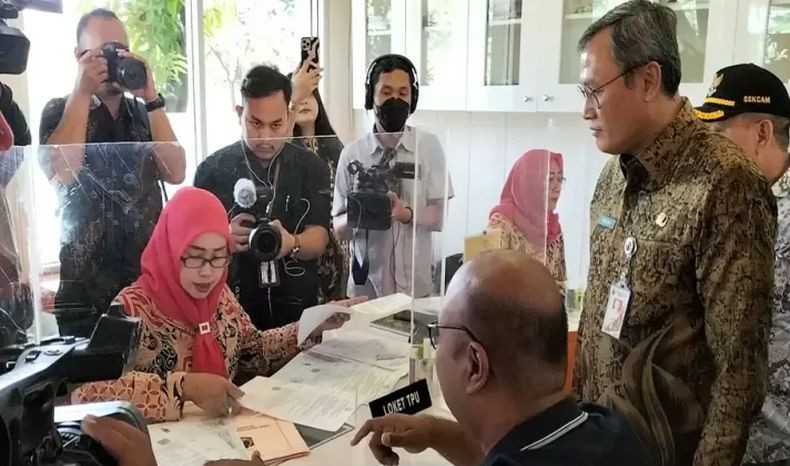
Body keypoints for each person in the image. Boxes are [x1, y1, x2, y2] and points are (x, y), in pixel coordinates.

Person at [574, 2, 777, 465]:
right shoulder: (611, 177)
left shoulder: (726, 182)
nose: (586, 110)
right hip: (599, 445)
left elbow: (739, 373)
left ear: (648, 80)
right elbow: (593, 325)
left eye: (595, 91)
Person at [71, 187, 351, 422]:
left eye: (219, 257)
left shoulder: (219, 297)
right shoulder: (131, 308)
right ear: (170, 249)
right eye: (194, 257)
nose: (208, 272)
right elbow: (87, 391)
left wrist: (309, 325)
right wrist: (184, 388)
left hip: (222, 437)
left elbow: (254, 351)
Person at [351, 250, 655, 466]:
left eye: (438, 336)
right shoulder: (610, 430)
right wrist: (434, 432)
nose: (436, 347)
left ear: (475, 366)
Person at [38, 8, 186, 326]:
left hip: (147, 287)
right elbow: (62, 172)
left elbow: (176, 173)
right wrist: (82, 91)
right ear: (79, 56)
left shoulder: (144, 114)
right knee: (90, 377)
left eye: (120, 51)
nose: (112, 61)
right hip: (84, 293)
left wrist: (151, 97)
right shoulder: (59, 110)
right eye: (102, 53)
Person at [694, 63, 790, 466]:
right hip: (730, 440)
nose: (707, 151)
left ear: (763, 134)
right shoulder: (740, 203)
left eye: (717, 137)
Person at [194, 65, 332, 330]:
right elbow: (191, 249)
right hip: (229, 312)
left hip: (298, 309)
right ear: (239, 114)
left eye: (276, 124)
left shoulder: (311, 167)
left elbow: (320, 237)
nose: (265, 137)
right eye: (255, 124)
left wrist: (292, 242)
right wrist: (223, 239)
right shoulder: (212, 170)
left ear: (290, 117)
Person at [333, 54, 453, 299]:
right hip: (366, 290)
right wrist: (359, 212)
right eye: (386, 92)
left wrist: (405, 214)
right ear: (371, 96)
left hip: (415, 290)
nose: (395, 99)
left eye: (403, 92)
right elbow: (339, 230)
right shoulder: (352, 154)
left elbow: (439, 217)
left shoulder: (429, 147)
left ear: (413, 98)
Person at [288, 65, 348, 303]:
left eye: (310, 94)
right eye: (299, 95)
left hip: (334, 250)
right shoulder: (284, 152)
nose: (304, 101)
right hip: (296, 248)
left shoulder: (335, 148)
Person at [487, 149, 566, 294]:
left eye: (560, 179)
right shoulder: (501, 224)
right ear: (529, 183)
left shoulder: (553, 228)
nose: (557, 187)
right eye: (550, 179)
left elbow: (560, 282)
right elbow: (490, 283)